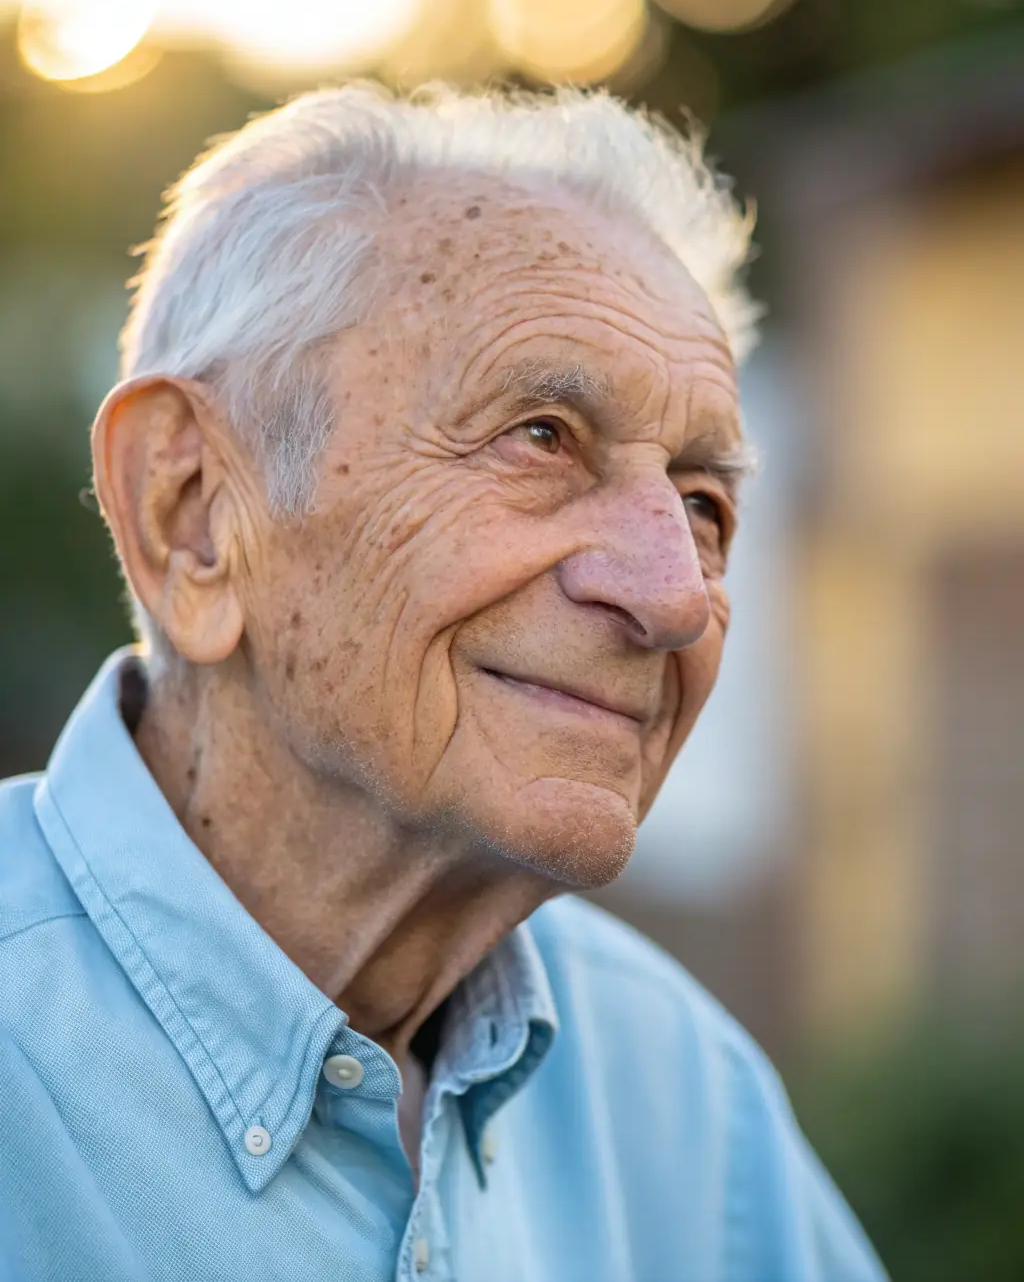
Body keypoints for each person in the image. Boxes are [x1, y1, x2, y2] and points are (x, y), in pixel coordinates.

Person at [0, 84, 886, 1282]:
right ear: (192, 515)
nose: (674, 595)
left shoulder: (677, 1093)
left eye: (702, 505)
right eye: (539, 437)